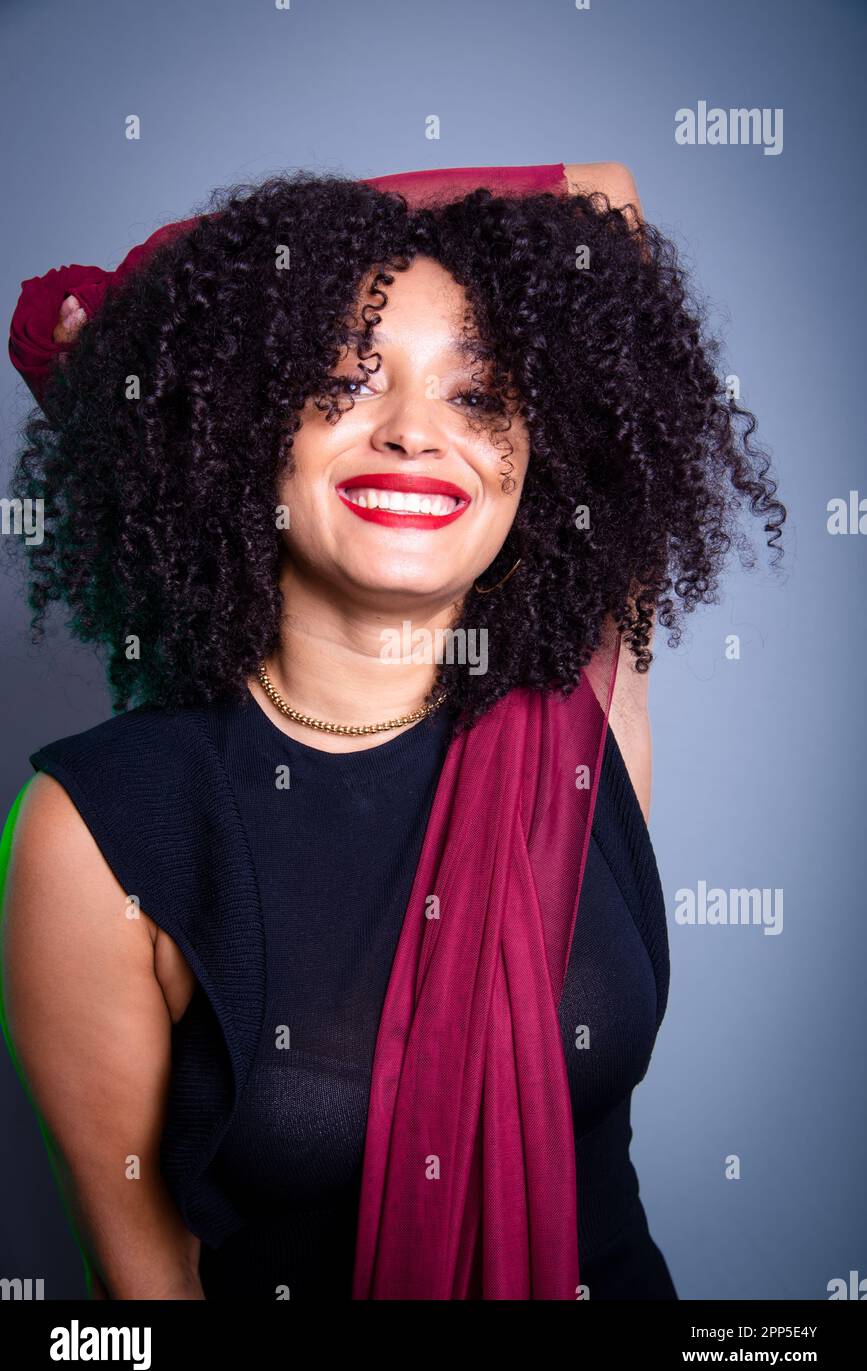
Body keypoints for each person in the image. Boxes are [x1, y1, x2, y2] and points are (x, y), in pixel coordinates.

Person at [1, 163, 786, 1300]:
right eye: (340, 381)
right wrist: (184, 286)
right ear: (240, 429)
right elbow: (144, 1297)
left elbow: (606, 201)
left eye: (476, 395)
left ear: (540, 456)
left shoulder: (576, 718)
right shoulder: (102, 829)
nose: (416, 432)